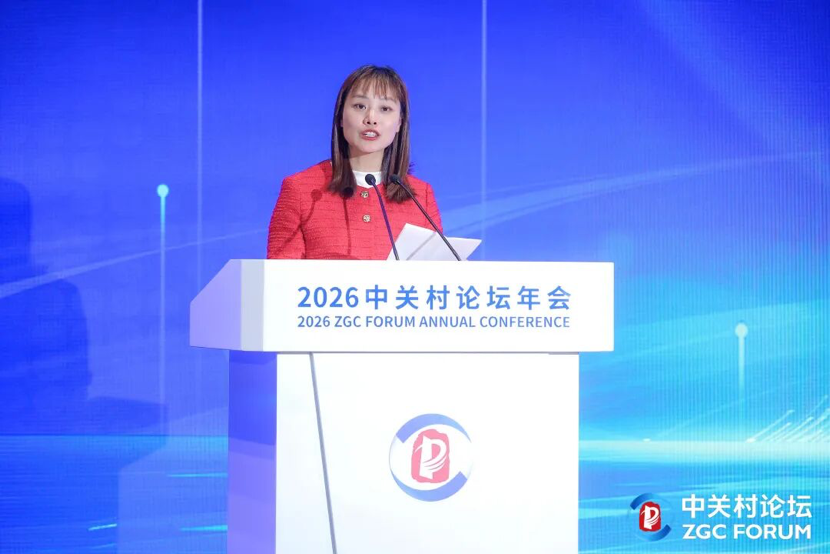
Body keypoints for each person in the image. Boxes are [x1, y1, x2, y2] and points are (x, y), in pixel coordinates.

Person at [267, 65, 443, 260]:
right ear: (340, 117)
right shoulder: (301, 189)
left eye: (385, 109)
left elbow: (437, 273)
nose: (371, 118)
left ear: (399, 123)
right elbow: (279, 274)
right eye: (360, 106)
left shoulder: (420, 196)